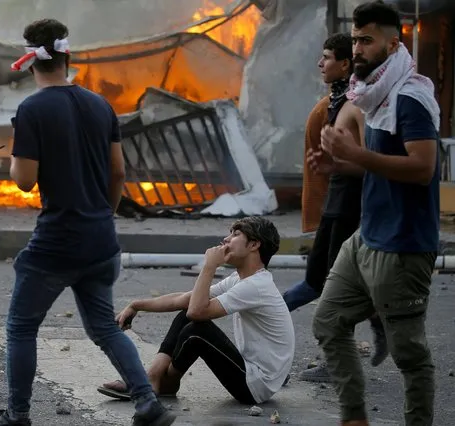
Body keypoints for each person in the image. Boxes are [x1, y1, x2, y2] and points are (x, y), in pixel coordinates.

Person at [0, 19, 175, 426]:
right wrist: (102, 213)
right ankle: (147, 403)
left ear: (31, 60)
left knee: (20, 327)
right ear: (67, 57)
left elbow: (24, 180)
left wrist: (13, 155)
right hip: (101, 240)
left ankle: (17, 415)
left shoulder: (31, 109)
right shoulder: (100, 105)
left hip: (56, 242)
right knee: (104, 327)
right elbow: (118, 173)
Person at [312, 2, 441, 425]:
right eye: (355, 39)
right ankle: (355, 418)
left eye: (367, 40)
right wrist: (341, 164)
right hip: (367, 237)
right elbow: (377, 162)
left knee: (410, 356)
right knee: (329, 321)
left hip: (403, 246)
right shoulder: (373, 95)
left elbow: (422, 169)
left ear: (393, 42)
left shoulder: (410, 97)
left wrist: (357, 153)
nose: (359, 48)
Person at [97, 217, 295, 407]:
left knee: (198, 329)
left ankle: (157, 382)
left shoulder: (256, 286)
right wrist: (136, 305)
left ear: (254, 245)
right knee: (187, 313)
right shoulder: (240, 279)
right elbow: (184, 300)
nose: (226, 239)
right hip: (250, 373)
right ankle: (155, 380)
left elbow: (198, 311)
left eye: (235, 235)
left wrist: (209, 265)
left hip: (256, 386)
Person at [282, 33, 388, 383]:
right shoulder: (335, 103)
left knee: (332, 286)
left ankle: (340, 359)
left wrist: (337, 166)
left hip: (351, 207)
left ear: (344, 64)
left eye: (327, 57)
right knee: (317, 278)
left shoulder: (357, 105)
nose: (320, 63)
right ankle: (269, 312)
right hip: (334, 204)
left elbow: (371, 161)